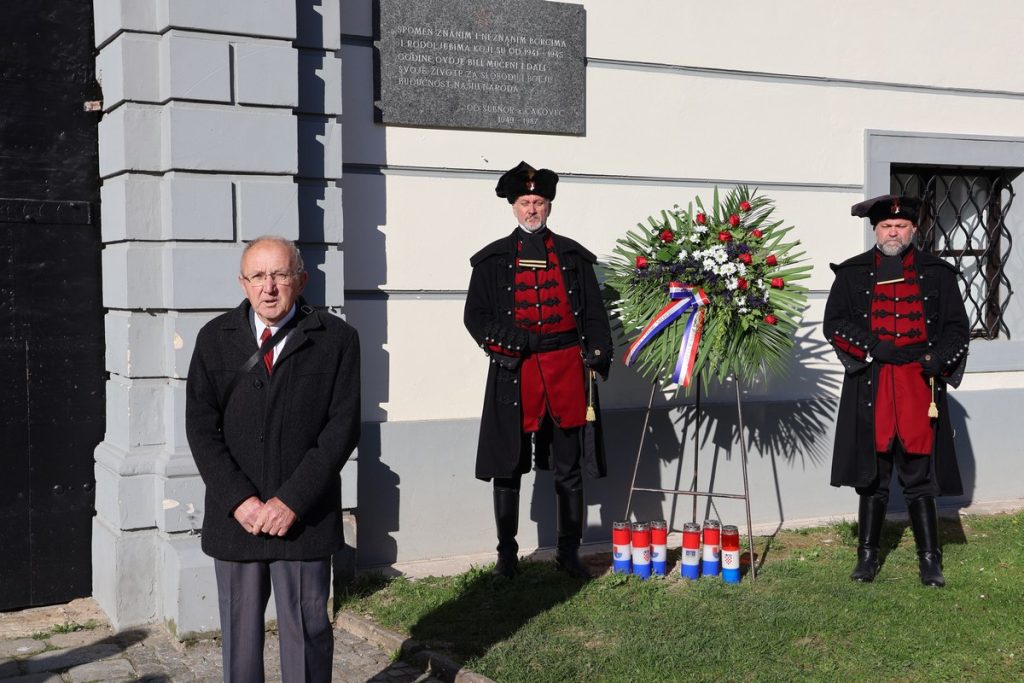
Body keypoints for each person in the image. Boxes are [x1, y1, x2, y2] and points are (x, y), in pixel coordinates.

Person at [186, 235, 360, 682]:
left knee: (307, 635)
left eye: (280, 274)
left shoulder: (337, 339)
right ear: (242, 283)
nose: (269, 286)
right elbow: (202, 430)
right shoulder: (214, 339)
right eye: (258, 276)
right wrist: (239, 500)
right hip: (235, 520)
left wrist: (292, 502)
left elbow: (341, 429)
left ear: (300, 280)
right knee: (240, 643)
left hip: (304, 519)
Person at [464, 161, 613, 579]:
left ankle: (569, 552)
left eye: (540, 202)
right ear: (513, 206)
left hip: (566, 368)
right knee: (507, 467)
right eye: (526, 202)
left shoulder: (573, 256)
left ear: (549, 206)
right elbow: (475, 317)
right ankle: (506, 557)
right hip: (516, 370)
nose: (532, 209)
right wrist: (515, 343)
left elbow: (595, 314)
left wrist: (598, 353)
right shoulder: (492, 260)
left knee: (568, 466)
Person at [824, 195, 970, 587]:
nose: (893, 231)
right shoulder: (852, 273)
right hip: (872, 383)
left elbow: (958, 327)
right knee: (872, 477)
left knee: (919, 475)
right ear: (875, 229)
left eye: (901, 226)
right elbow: (834, 324)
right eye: (887, 226)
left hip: (920, 385)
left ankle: (929, 560)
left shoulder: (937, 273)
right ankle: (867, 558)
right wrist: (872, 346)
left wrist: (938, 359)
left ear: (913, 230)